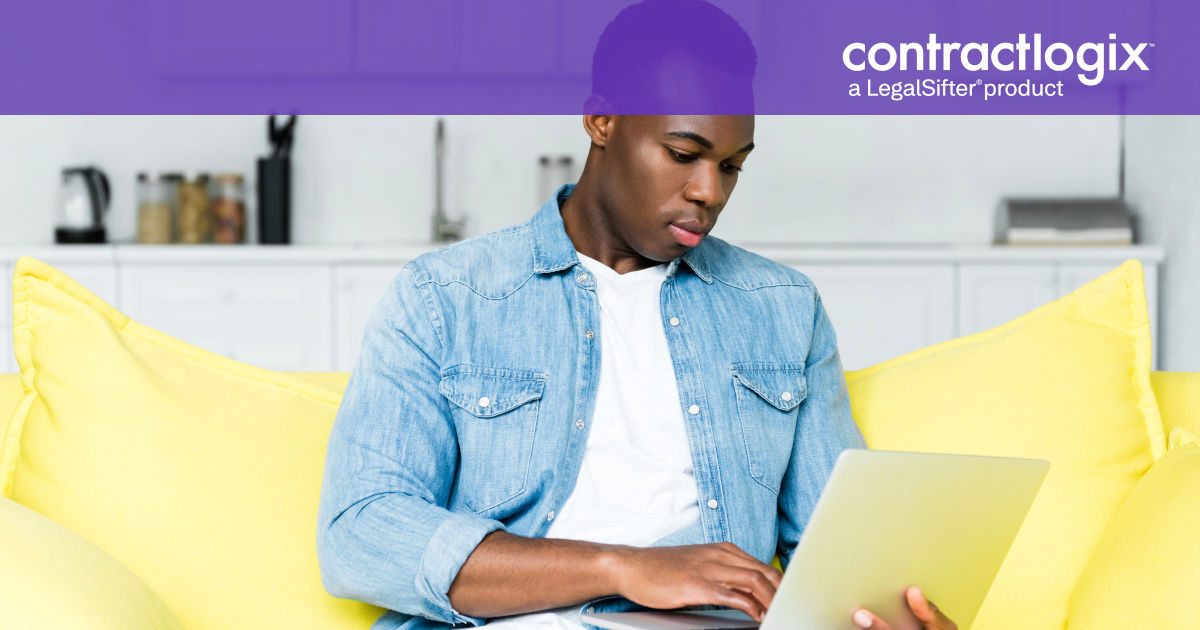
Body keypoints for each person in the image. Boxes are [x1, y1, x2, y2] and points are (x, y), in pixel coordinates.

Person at [317, 3, 958, 630]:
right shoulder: (445, 298)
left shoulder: (783, 309)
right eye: (684, 153)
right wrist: (622, 567)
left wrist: (884, 615)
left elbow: (836, 555)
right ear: (601, 120)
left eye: (732, 166)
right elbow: (360, 535)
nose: (710, 191)